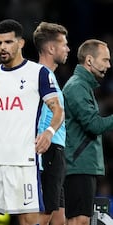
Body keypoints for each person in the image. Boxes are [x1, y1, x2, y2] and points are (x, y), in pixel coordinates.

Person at [0, 19, 64, 225]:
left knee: (28, 221)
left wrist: (48, 132)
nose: (3, 47)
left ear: (20, 43)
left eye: (8, 42)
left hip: (23, 161)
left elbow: (58, 110)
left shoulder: (37, 73)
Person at [62, 39, 112, 225]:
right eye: (105, 60)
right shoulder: (77, 86)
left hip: (81, 163)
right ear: (89, 60)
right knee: (79, 220)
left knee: (79, 219)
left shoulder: (83, 85)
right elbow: (94, 125)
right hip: (78, 164)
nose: (109, 65)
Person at [33, 22, 69, 225]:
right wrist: (46, 134)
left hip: (56, 150)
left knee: (58, 219)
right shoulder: (39, 75)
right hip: (48, 149)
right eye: (64, 44)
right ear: (51, 48)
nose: (68, 49)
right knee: (44, 214)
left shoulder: (49, 77)